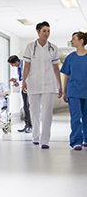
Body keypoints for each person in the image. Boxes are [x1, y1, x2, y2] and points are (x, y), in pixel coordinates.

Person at [22, 21, 62, 149]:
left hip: (49, 84)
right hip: (33, 83)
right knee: (34, 111)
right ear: (38, 32)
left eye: (48, 31)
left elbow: (56, 68)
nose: (47, 33)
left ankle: (45, 140)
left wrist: (59, 85)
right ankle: (35, 136)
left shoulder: (53, 48)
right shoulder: (30, 46)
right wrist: (23, 81)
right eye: (44, 31)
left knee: (47, 112)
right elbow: (26, 66)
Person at [60, 32, 87, 150]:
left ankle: (86, 139)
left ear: (81, 41)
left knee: (86, 117)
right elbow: (66, 75)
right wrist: (64, 91)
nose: (71, 41)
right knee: (76, 117)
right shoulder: (70, 57)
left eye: (73, 39)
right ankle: (76, 141)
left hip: (86, 90)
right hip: (73, 91)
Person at [8, 55, 32, 133]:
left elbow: (28, 77)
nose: (12, 66)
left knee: (29, 107)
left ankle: (31, 126)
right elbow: (19, 77)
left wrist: (19, 82)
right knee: (25, 107)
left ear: (17, 62)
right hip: (23, 88)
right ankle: (27, 125)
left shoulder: (27, 64)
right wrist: (15, 79)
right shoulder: (17, 67)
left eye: (12, 64)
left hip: (30, 87)